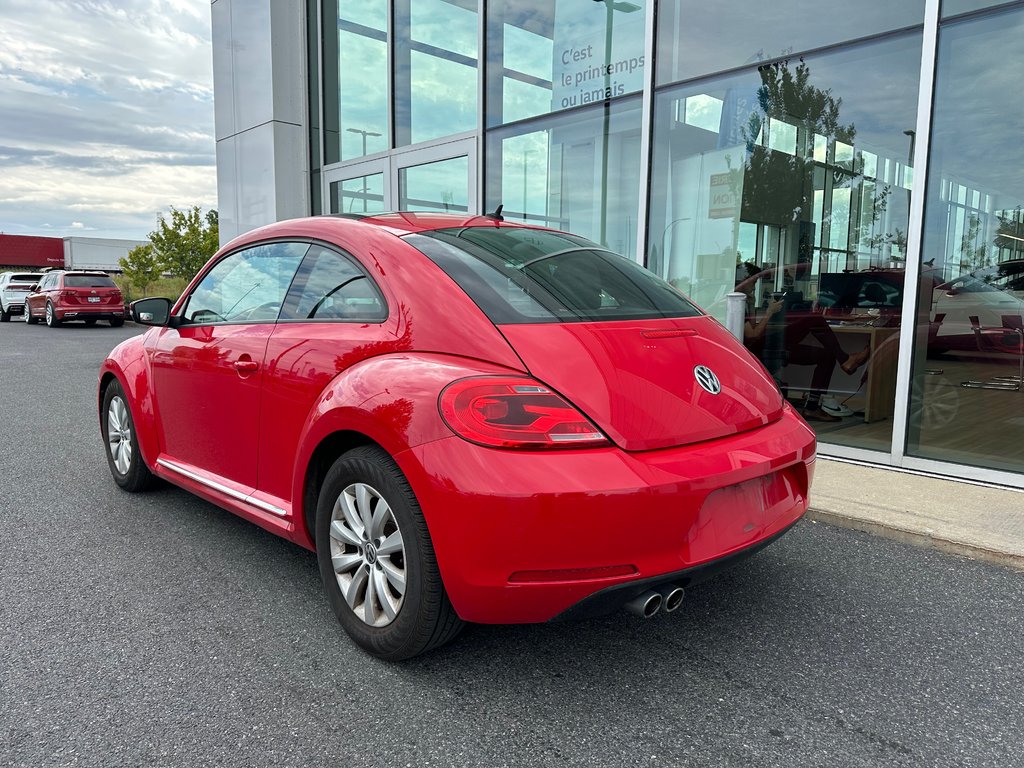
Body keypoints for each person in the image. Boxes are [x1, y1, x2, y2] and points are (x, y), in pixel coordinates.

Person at [745, 296, 870, 422]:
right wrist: (769, 312)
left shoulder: (747, 301)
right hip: (759, 349)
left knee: (827, 355)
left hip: (768, 345)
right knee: (814, 319)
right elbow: (752, 336)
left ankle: (812, 407)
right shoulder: (737, 301)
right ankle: (845, 359)